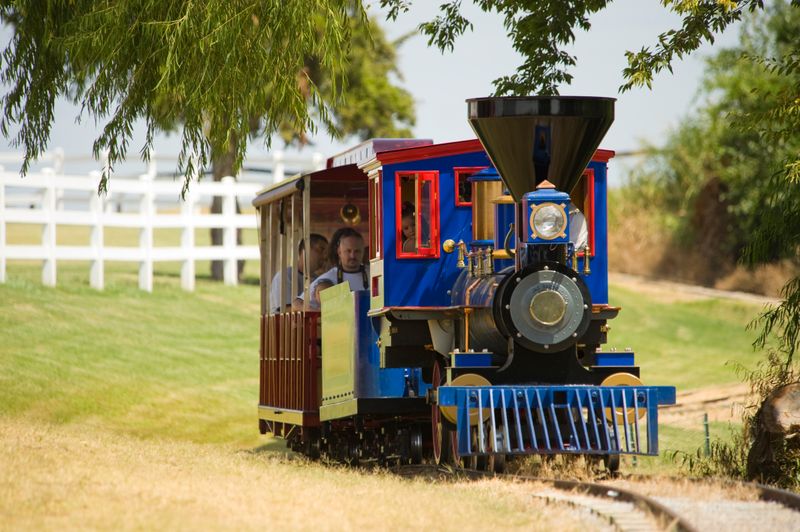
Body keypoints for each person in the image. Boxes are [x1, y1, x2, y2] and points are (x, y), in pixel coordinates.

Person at [301, 227, 368, 310]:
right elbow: (297, 302)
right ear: (339, 252)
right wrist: (313, 310)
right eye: (348, 251)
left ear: (363, 252)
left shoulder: (374, 273)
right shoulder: (328, 277)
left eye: (357, 251)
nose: (352, 256)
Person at [269, 233, 328, 313]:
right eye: (321, 249)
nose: (324, 256)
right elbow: (285, 310)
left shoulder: (318, 279)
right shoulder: (286, 275)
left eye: (326, 252)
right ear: (306, 249)